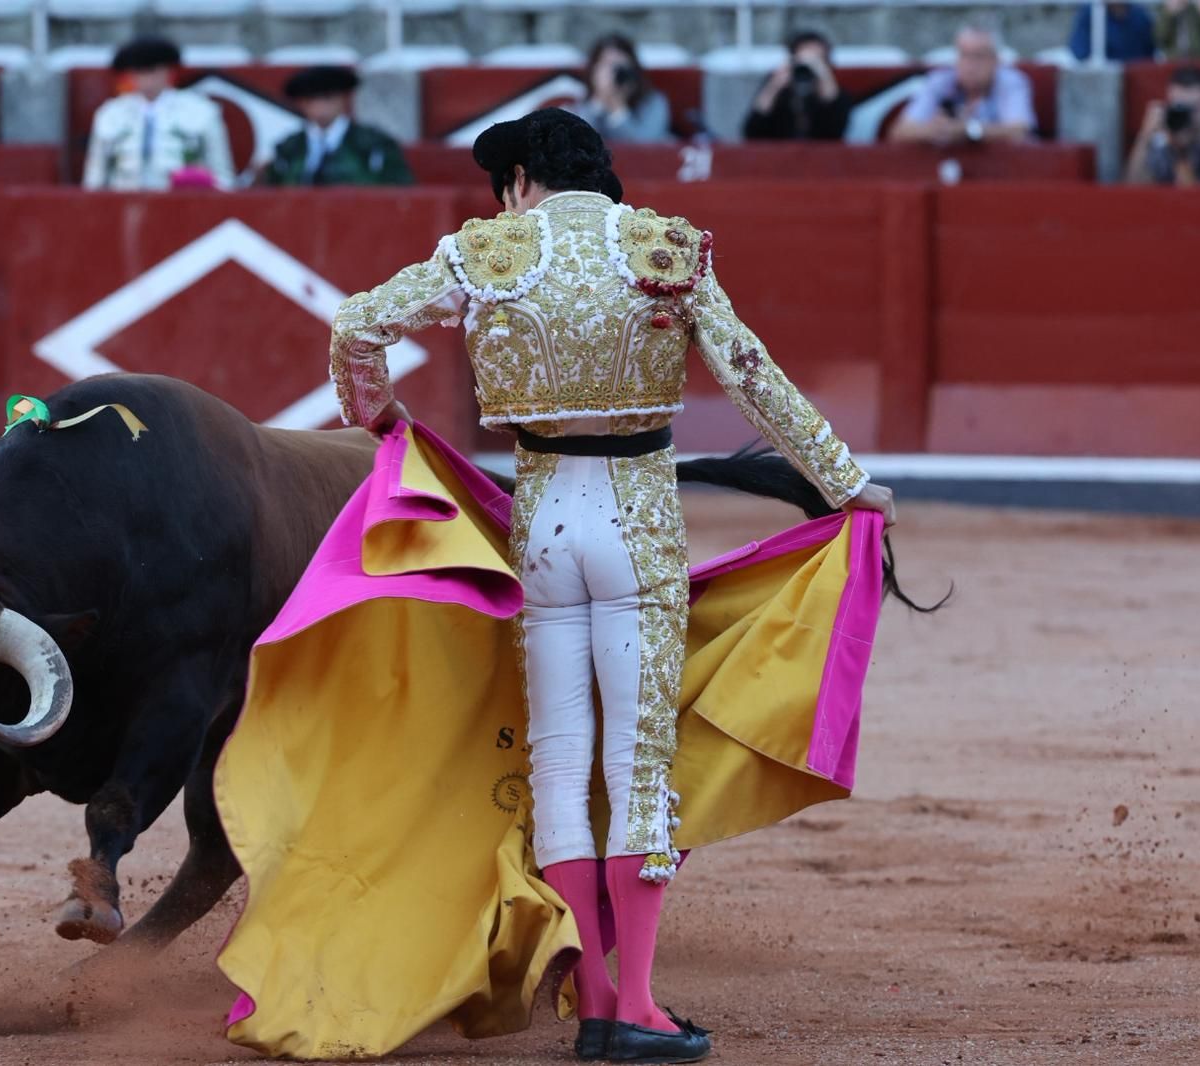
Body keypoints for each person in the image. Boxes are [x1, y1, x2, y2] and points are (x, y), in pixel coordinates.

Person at [327, 108, 894, 1064]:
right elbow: (752, 373)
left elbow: (355, 324)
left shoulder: (485, 252)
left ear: (517, 183)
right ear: (603, 175)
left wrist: (379, 422)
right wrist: (843, 481)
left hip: (541, 519)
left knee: (558, 763)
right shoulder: (666, 248)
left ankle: (594, 995)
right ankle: (631, 1005)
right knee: (636, 766)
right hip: (637, 517)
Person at [82, 36, 234, 192]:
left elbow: (223, 178)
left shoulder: (201, 111)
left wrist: (203, 184)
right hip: (125, 206)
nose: (147, 79)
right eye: (140, 71)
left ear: (167, 71)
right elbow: (95, 178)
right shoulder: (110, 114)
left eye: (152, 70)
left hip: (185, 205)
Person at [262, 66, 413, 186]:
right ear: (302, 104)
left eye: (327, 98)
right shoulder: (288, 148)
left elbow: (399, 190)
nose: (319, 107)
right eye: (311, 100)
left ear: (342, 99)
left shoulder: (374, 144)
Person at [889, 22, 1036, 145]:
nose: (970, 65)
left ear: (996, 60)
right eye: (964, 55)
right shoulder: (940, 82)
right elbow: (899, 132)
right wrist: (934, 130)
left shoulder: (1011, 82)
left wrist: (968, 130)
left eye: (979, 56)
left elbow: (1019, 133)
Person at [1125, 65, 1200, 186]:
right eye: (1179, 107)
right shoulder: (1163, 149)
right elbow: (1133, 190)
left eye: (1193, 107)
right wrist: (1145, 136)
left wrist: (1179, 152)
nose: (1186, 115)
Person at [742, 30, 851, 141]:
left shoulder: (835, 93)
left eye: (817, 60)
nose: (809, 66)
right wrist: (775, 85)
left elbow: (836, 131)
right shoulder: (780, 91)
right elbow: (752, 132)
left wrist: (823, 76)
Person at [569, 35, 672, 144]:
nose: (615, 75)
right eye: (608, 65)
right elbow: (578, 143)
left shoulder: (653, 102)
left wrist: (618, 109)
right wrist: (598, 101)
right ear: (594, 71)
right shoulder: (581, 103)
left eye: (620, 68)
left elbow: (646, 148)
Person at [1070, 3, 1157, 62]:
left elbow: (1149, 53)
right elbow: (1079, 50)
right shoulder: (1090, 14)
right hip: (1105, 78)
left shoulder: (1140, 16)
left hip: (1134, 78)